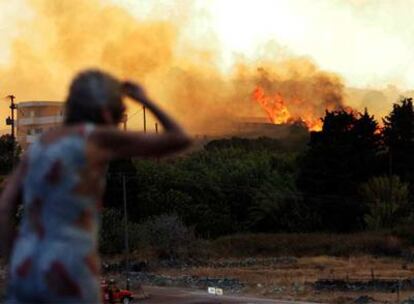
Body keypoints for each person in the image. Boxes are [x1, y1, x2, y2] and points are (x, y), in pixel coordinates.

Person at [0, 70, 191, 303]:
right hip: (69, 270)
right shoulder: (95, 137)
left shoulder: (40, 145)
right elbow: (178, 139)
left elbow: (5, 207)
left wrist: (15, 259)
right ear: (104, 112)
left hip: (24, 271)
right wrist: (143, 98)